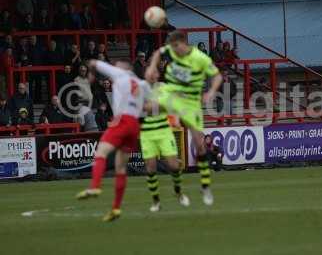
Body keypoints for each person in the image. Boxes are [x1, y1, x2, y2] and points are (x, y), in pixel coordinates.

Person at [145, 30, 222, 206]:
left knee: (199, 144)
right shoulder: (171, 51)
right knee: (148, 106)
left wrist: (210, 92)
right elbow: (157, 53)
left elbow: (217, 76)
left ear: (183, 43)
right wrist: (151, 67)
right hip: (171, 93)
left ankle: (205, 185)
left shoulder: (200, 58)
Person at [76, 59, 151, 222]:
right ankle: (116, 208)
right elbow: (150, 106)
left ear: (125, 67)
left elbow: (93, 62)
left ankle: (95, 186)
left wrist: (90, 76)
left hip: (122, 121)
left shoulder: (119, 74)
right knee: (121, 168)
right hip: (134, 125)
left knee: (100, 153)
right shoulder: (141, 83)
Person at [140, 79, 190, 212]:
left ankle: (178, 192)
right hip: (149, 132)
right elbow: (145, 107)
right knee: (150, 168)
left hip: (164, 130)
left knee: (174, 165)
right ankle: (156, 201)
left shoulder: (164, 87)